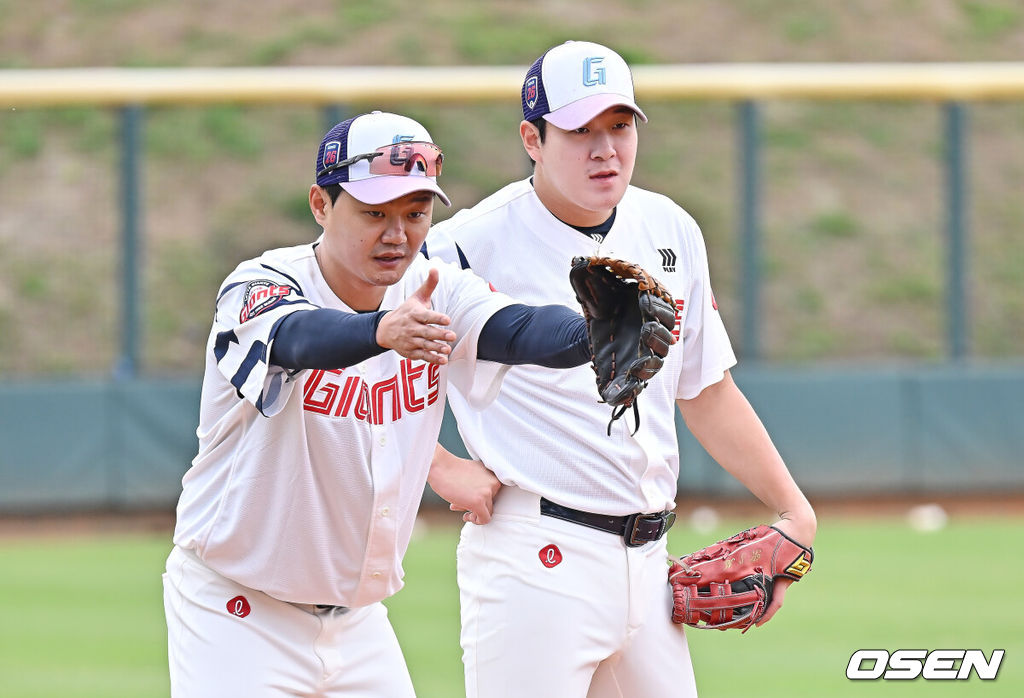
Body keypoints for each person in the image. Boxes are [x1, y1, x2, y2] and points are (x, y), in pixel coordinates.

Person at [424, 40, 818, 697]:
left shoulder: (670, 228)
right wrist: (436, 468)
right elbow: (365, 364)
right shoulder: (466, 244)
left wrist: (792, 508)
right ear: (533, 137)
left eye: (619, 125)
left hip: (650, 563)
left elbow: (706, 389)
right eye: (580, 130)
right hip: (535, 558)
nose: (605, 148)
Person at [163, 110, 592, 697]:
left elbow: (517, 329)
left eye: (415, 213)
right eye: (373, 213)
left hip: (359, 624)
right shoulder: (260, 284)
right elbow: (296, 338)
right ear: (320, 204)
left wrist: (594, 334)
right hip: (238, 613)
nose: (397, 234)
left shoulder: (436, 286)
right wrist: (379, 330)